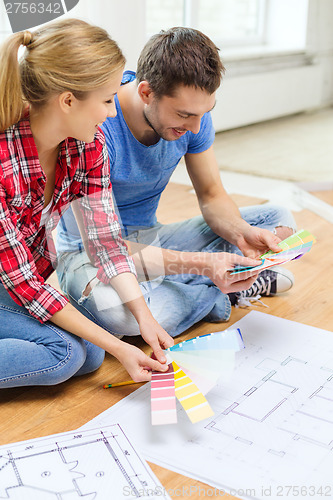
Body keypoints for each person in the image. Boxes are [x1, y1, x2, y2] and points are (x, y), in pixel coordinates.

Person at [56, 27, 297, 339]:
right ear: (146, 92)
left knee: (279, 221)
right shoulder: (95, 126)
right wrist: (203, 264)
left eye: (204, 113)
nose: (195, 126)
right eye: (184, 114)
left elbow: (212, 195)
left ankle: (200, 282)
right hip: (88, 255)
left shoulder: (193, 116)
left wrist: (240, 231)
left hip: (153, 240)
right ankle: (218, 291)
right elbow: (104, 247)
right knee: (118, 315)